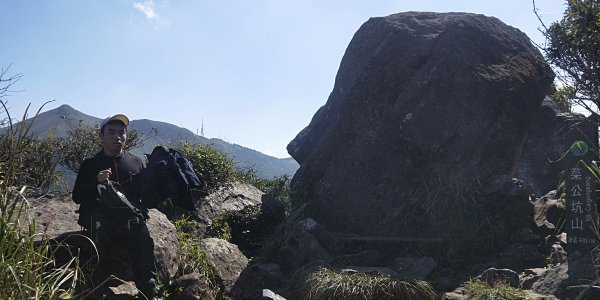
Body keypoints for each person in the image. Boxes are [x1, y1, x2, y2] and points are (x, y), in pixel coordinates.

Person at [72, 114, 155, 298]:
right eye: (111, 132)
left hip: (130, 222)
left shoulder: (136, 162)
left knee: (144, 247)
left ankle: (148, 292)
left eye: (121, 132)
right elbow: (77, 196)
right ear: (102, 136)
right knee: (98, 262)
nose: (118, 136)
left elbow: (143, 197)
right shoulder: (90, 164)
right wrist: (96, 181)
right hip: (101, 222)